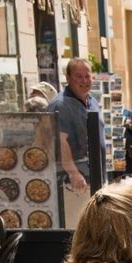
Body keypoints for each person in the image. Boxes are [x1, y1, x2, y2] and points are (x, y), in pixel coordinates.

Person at [49, 58, 104, 225]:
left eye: (87, 76)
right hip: (73, 182)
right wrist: (73, 172)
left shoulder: (92, 100)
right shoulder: (61, 104)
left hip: (94, 176)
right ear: (68, 78)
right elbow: (60, 141)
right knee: (78, 225)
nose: (84, 81)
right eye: (79, 76)